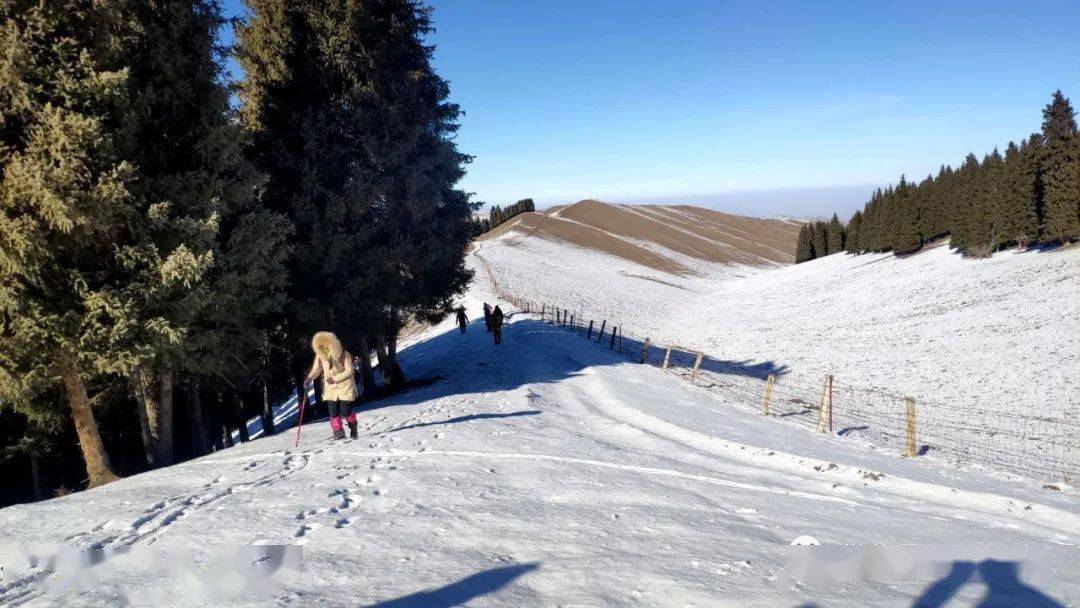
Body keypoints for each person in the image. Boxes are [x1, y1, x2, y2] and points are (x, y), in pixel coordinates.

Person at [305, 331, 358, 440]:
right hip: (330, 387)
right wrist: (309, 378)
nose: (323, 349)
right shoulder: (320, 355)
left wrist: (334, 379)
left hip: (345, 385)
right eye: (320, 347)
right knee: (333, 411)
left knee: (345, 411)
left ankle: (353, 425)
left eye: (325, 346)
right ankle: (338, 431)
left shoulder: (343, 353)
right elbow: (317, 369)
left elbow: (350, 371)